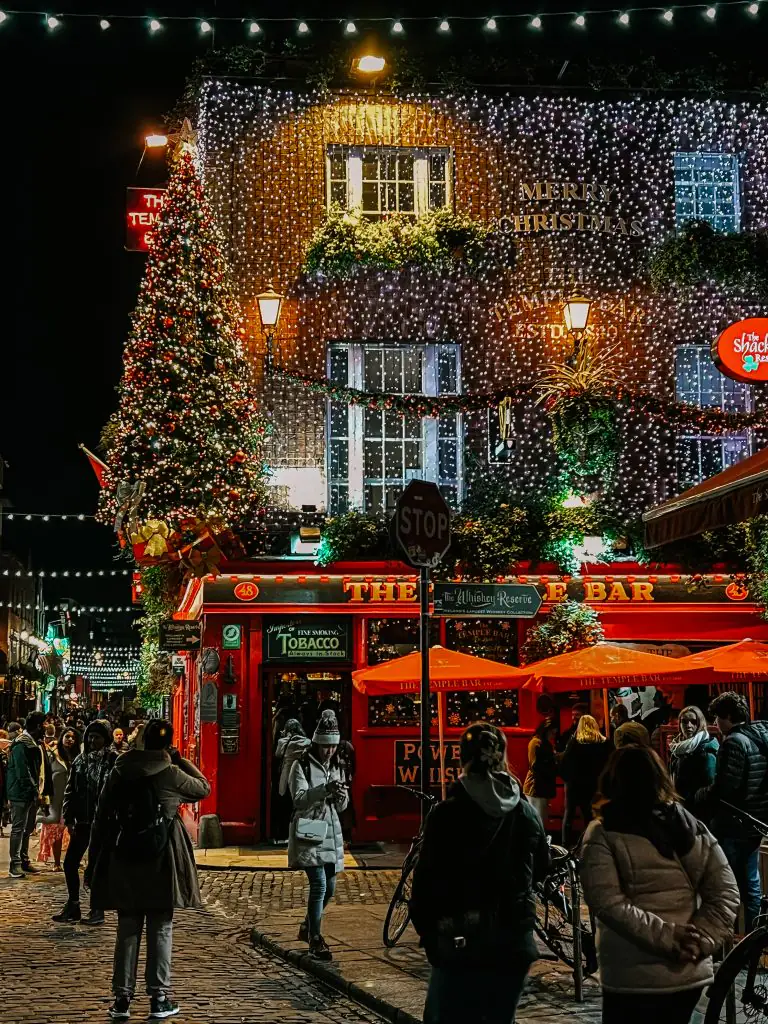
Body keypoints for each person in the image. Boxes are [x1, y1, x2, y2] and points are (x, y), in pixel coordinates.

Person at [581, 745, 739, 1024]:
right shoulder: (691, 826)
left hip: (632, 977)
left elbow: (607, 903)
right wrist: (699, 939)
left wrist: (672, 939)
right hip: (687, 973)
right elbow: (725, 892)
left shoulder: (603, 831)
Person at [410, 722, 549, 1024]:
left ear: (462, 758)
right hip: (513, 942)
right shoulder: (525, 812)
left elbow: (426, 882)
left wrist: (429, 933)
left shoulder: (447, 814)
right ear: (502, 757)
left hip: (462, 941)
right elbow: (542, 867)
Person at [86, 718, 210, 1021]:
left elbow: (101, 818)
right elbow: (203, 788)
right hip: (162, 858)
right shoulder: (170, 773)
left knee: (127, 927)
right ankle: (159, 998)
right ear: (166, 744)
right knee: (161, 927)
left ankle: (122, 1000)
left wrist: (93, 861)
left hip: (124, 854)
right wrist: (181, 759)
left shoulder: (119, 771)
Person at [699, 691, 768, 933]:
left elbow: (725, 788)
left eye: (717, 717)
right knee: (750, 881)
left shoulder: (734, 742)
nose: (715, 723)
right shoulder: (759, 736)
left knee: (728, 884)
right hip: (755, 820)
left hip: (734, 822)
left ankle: (734, 940)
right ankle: (753, 936)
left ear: (728, 716)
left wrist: (698, 796)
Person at [288, 709, 348, 962]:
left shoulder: (336, 766)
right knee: (319, 884)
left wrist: (341, 797)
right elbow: (299, 799)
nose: (329, 751)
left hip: (331, 830)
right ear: (316, 743)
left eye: (333, 747)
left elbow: (343, 806)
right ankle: (315, 939)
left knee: (331, 887)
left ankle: (307, 926)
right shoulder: (299, 766)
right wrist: (324, 789)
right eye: (325, 746)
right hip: (310, 828)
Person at [53, 719, 116, 924]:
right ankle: (73, 905)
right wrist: (68, 816)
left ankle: (97, 910)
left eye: (97, 737)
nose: (92, 740)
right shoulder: (80, 760)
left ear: (105, 739)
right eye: (90, 736)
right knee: (70, 863)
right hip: (83, 821)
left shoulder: (113, 760)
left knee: (97, 866)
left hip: (105, 822)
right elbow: (70, 790)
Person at [6, 710, 51, 879]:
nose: (46, 727)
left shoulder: (34, 742)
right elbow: (22, 772)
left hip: (31, 791)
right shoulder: (21, 743)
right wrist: (34, 791)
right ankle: (15, 864)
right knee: (18, 828)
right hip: (20, 792)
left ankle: (23, 860)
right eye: (44, 724)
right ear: (38, 726)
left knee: (27, 828)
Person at [560, 714, 613, 847]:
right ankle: (589, 844)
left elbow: (564, 765)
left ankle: (565, 845)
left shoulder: (574, 743)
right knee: (591, 817)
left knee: (569, 815)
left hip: (574, 786)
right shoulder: (605, 743)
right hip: (595, 786)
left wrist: (567, 779)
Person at [37, 727, 81, 870]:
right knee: (56, 830)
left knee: (75, 831)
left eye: (73, 738)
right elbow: (44, 776)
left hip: (74, 799)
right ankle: (56, 862)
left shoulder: (78, 757)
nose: (70, 740)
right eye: (67, 736)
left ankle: (72, 859)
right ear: (61, 737)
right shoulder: (53, 755)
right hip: (56, 798)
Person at [669, 706, 719, 815]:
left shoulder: (705, 750)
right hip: (681, 807)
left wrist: (691, 801)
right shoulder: (677, 748)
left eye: (693, 721)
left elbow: (709, 785)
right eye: (684, 722)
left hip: (697, 811)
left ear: (700, 723)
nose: (689, 725)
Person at [273, 719, 309, 841]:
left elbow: (278, 754)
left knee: (285, 806)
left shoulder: (283, 741)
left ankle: (284, 833)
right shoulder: (308, 742)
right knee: (301, 806)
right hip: (301, 777)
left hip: (286, 775)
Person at [524, 718, 558, 824]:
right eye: (552, 733)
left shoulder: (546, 743)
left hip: (543, 786)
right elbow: (534, 765)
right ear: (546, 730)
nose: (553, 736)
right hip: (535, 787)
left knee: (542, 818)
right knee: (538, 819)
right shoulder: (535, 742)